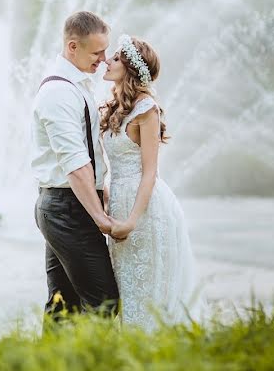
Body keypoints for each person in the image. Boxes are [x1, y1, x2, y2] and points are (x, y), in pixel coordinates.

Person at [102, 34, 204, 331]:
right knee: (127, 284)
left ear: (132, 68)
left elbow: (150, 172)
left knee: (145, 288)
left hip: (145, 208)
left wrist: (132, 220)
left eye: (116, 58)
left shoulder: (146, 109)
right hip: (120, 200)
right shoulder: (116, 105)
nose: (108, 60)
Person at [30, 10, 119, 328]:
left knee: (62, 305)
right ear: (72, 46)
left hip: (68, 203)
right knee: (104, 302)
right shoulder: (59, 92)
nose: (104, 60)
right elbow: (75, 164)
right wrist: (101, 218)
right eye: (97, 52)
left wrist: (102, 190)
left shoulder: (76, 86)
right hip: (67, 209)